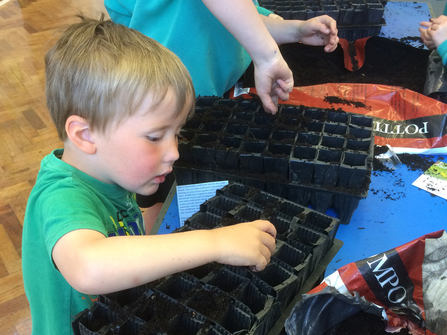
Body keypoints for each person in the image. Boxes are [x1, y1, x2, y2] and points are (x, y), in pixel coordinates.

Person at [22, 16, 277, 335]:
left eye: (177, 133)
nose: (174, 152)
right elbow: (88, 266)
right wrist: (213, 242)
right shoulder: (60, 197)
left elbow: (118, 229)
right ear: (86, 135)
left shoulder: (111, 172)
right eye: (155, 137)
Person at [104, 0, 339, 227]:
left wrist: (295, 30)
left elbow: (240, 18)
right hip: (154, 108)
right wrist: (268, 56)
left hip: (206, 102)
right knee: (158, 196)